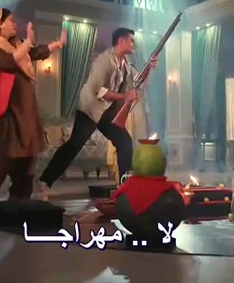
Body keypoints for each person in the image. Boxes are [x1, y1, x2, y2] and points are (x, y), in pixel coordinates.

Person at [0, 7, 66, 215]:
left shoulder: (16, 46)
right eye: (11, 20)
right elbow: (8, 62)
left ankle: (19, 202)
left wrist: (54, 45)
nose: (15, 24)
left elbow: (31, 54)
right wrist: (28, 42)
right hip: (2, 115)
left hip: (22, 115)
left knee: (26, 161)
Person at [38, 28, 157, 196]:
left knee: (124, 141)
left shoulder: (125, 65)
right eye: (131, 40)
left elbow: (138, 81)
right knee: (74, 145)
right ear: (121, 41)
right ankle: (45, 180)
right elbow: (99, 91)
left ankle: (126, 184)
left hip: (106, 112)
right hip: (90, 108)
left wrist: (150, 68)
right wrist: (125, 96)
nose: (134, 44)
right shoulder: (103, 61)